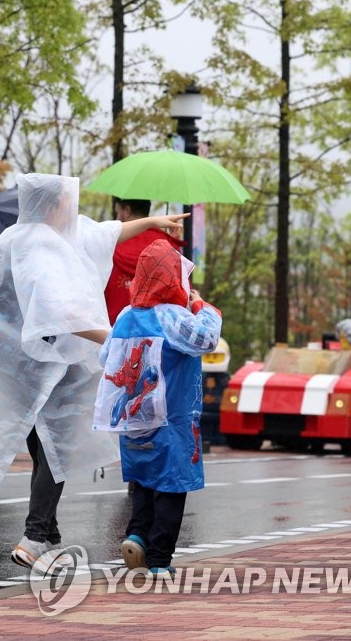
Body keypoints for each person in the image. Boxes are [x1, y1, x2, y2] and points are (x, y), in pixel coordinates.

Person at [0, 173, 187, 569]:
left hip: (28, 367)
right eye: (69, 201)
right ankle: (35, 537)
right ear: (54, 205)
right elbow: (59, 313)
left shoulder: (35, 237)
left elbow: (105, 232)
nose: (75, 208)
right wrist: (117, 338)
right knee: (57, 446)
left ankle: (48, 534)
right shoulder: (38, 247)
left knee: (46, 446)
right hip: (43, 367)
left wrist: (153, 222)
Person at [93, 239, 222, 576]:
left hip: (133, 415)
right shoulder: (172, 317)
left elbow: (105, 357)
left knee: (143, 480)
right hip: (172, 419)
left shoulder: (125, 316)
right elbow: (207, 339)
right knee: (171, 484)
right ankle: (160, 560)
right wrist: (202, 307)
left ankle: (137, 535)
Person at [104, 198, 182, 325]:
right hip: (157, 337)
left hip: (114, 333)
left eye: (118, 212)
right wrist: (172, 243)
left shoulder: (110, 245)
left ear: (127, 211)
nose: (117, 217)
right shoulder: (169, 247)